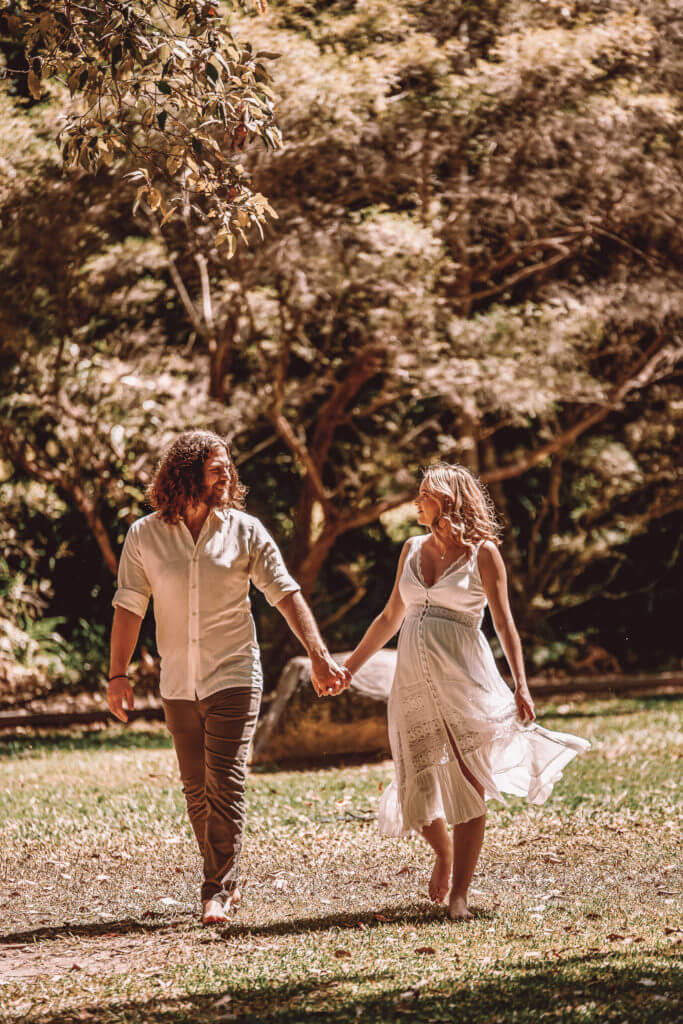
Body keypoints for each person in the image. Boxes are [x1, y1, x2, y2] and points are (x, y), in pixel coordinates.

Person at [108, 430, 348, 925]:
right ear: (186, 471)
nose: (227, 474)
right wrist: (117, 674)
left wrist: (319, 656)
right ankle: (226, 877)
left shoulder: (245, 530)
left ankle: (215, 890)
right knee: (196, 788)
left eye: (228, 466)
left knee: (226, 780)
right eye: (217, 466)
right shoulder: (144, 535)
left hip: (235, 672)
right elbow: (130, 606)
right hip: (179, 681)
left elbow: (284, 593)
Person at [343, 462, 589, 921]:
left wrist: (521, 683)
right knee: (416, 778)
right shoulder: (410, 549)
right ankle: (445, 852)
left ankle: (459, 896)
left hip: (464, 680)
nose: (416, 502)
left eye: (424, 494)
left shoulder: (483, 554)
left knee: (468, 780)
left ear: (447, 500)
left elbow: (504, 623)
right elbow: (390, 617)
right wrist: (348, 669)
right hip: (413, 682)